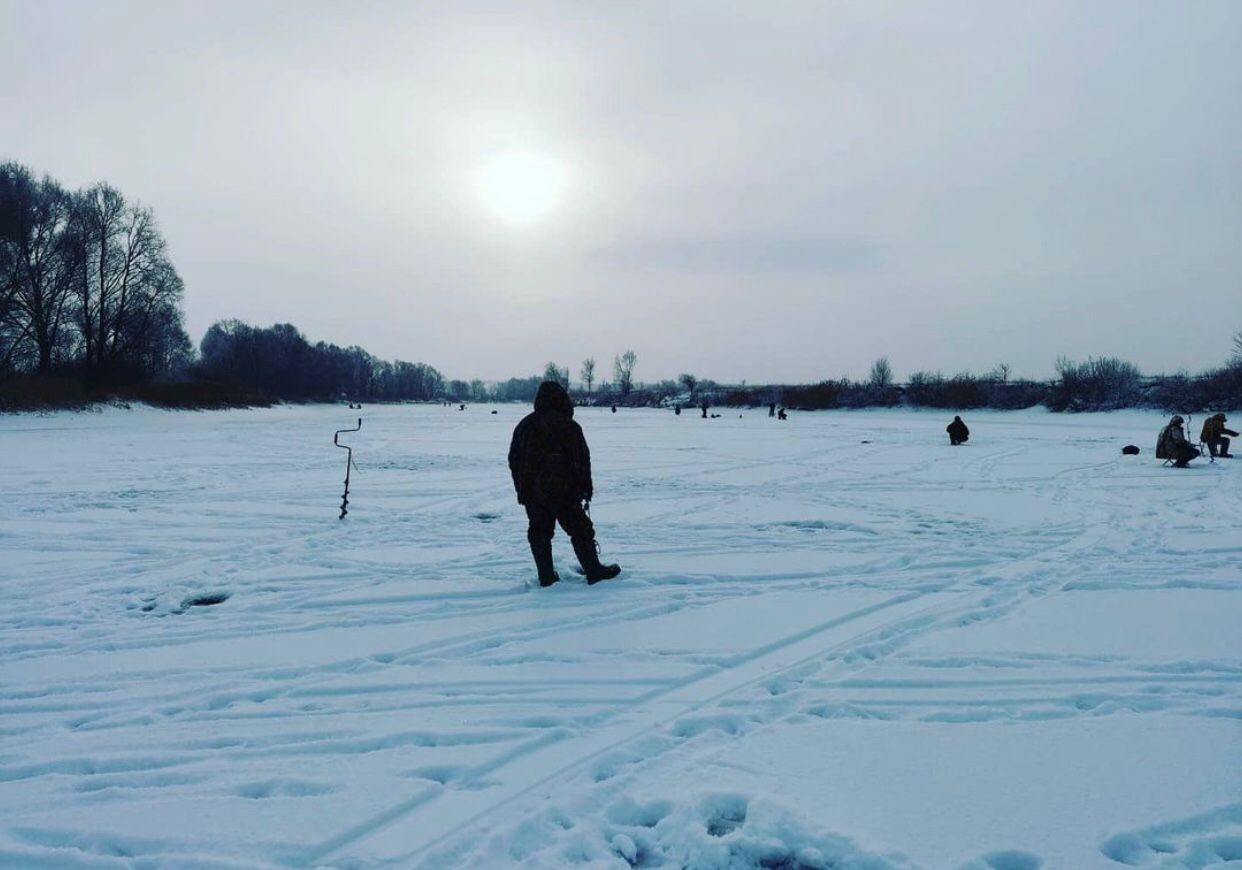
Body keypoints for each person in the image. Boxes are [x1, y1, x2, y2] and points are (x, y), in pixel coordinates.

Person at [508, 381, 621, 587]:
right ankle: (594, 571)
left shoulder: (524, 425)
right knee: (581, 530)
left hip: (533, 492)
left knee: (539, 532)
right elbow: (581, 460)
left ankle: (546, 577)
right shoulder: (569, 426)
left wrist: (522, 488)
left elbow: (513, 460)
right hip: (564, 491)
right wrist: (585, 488)